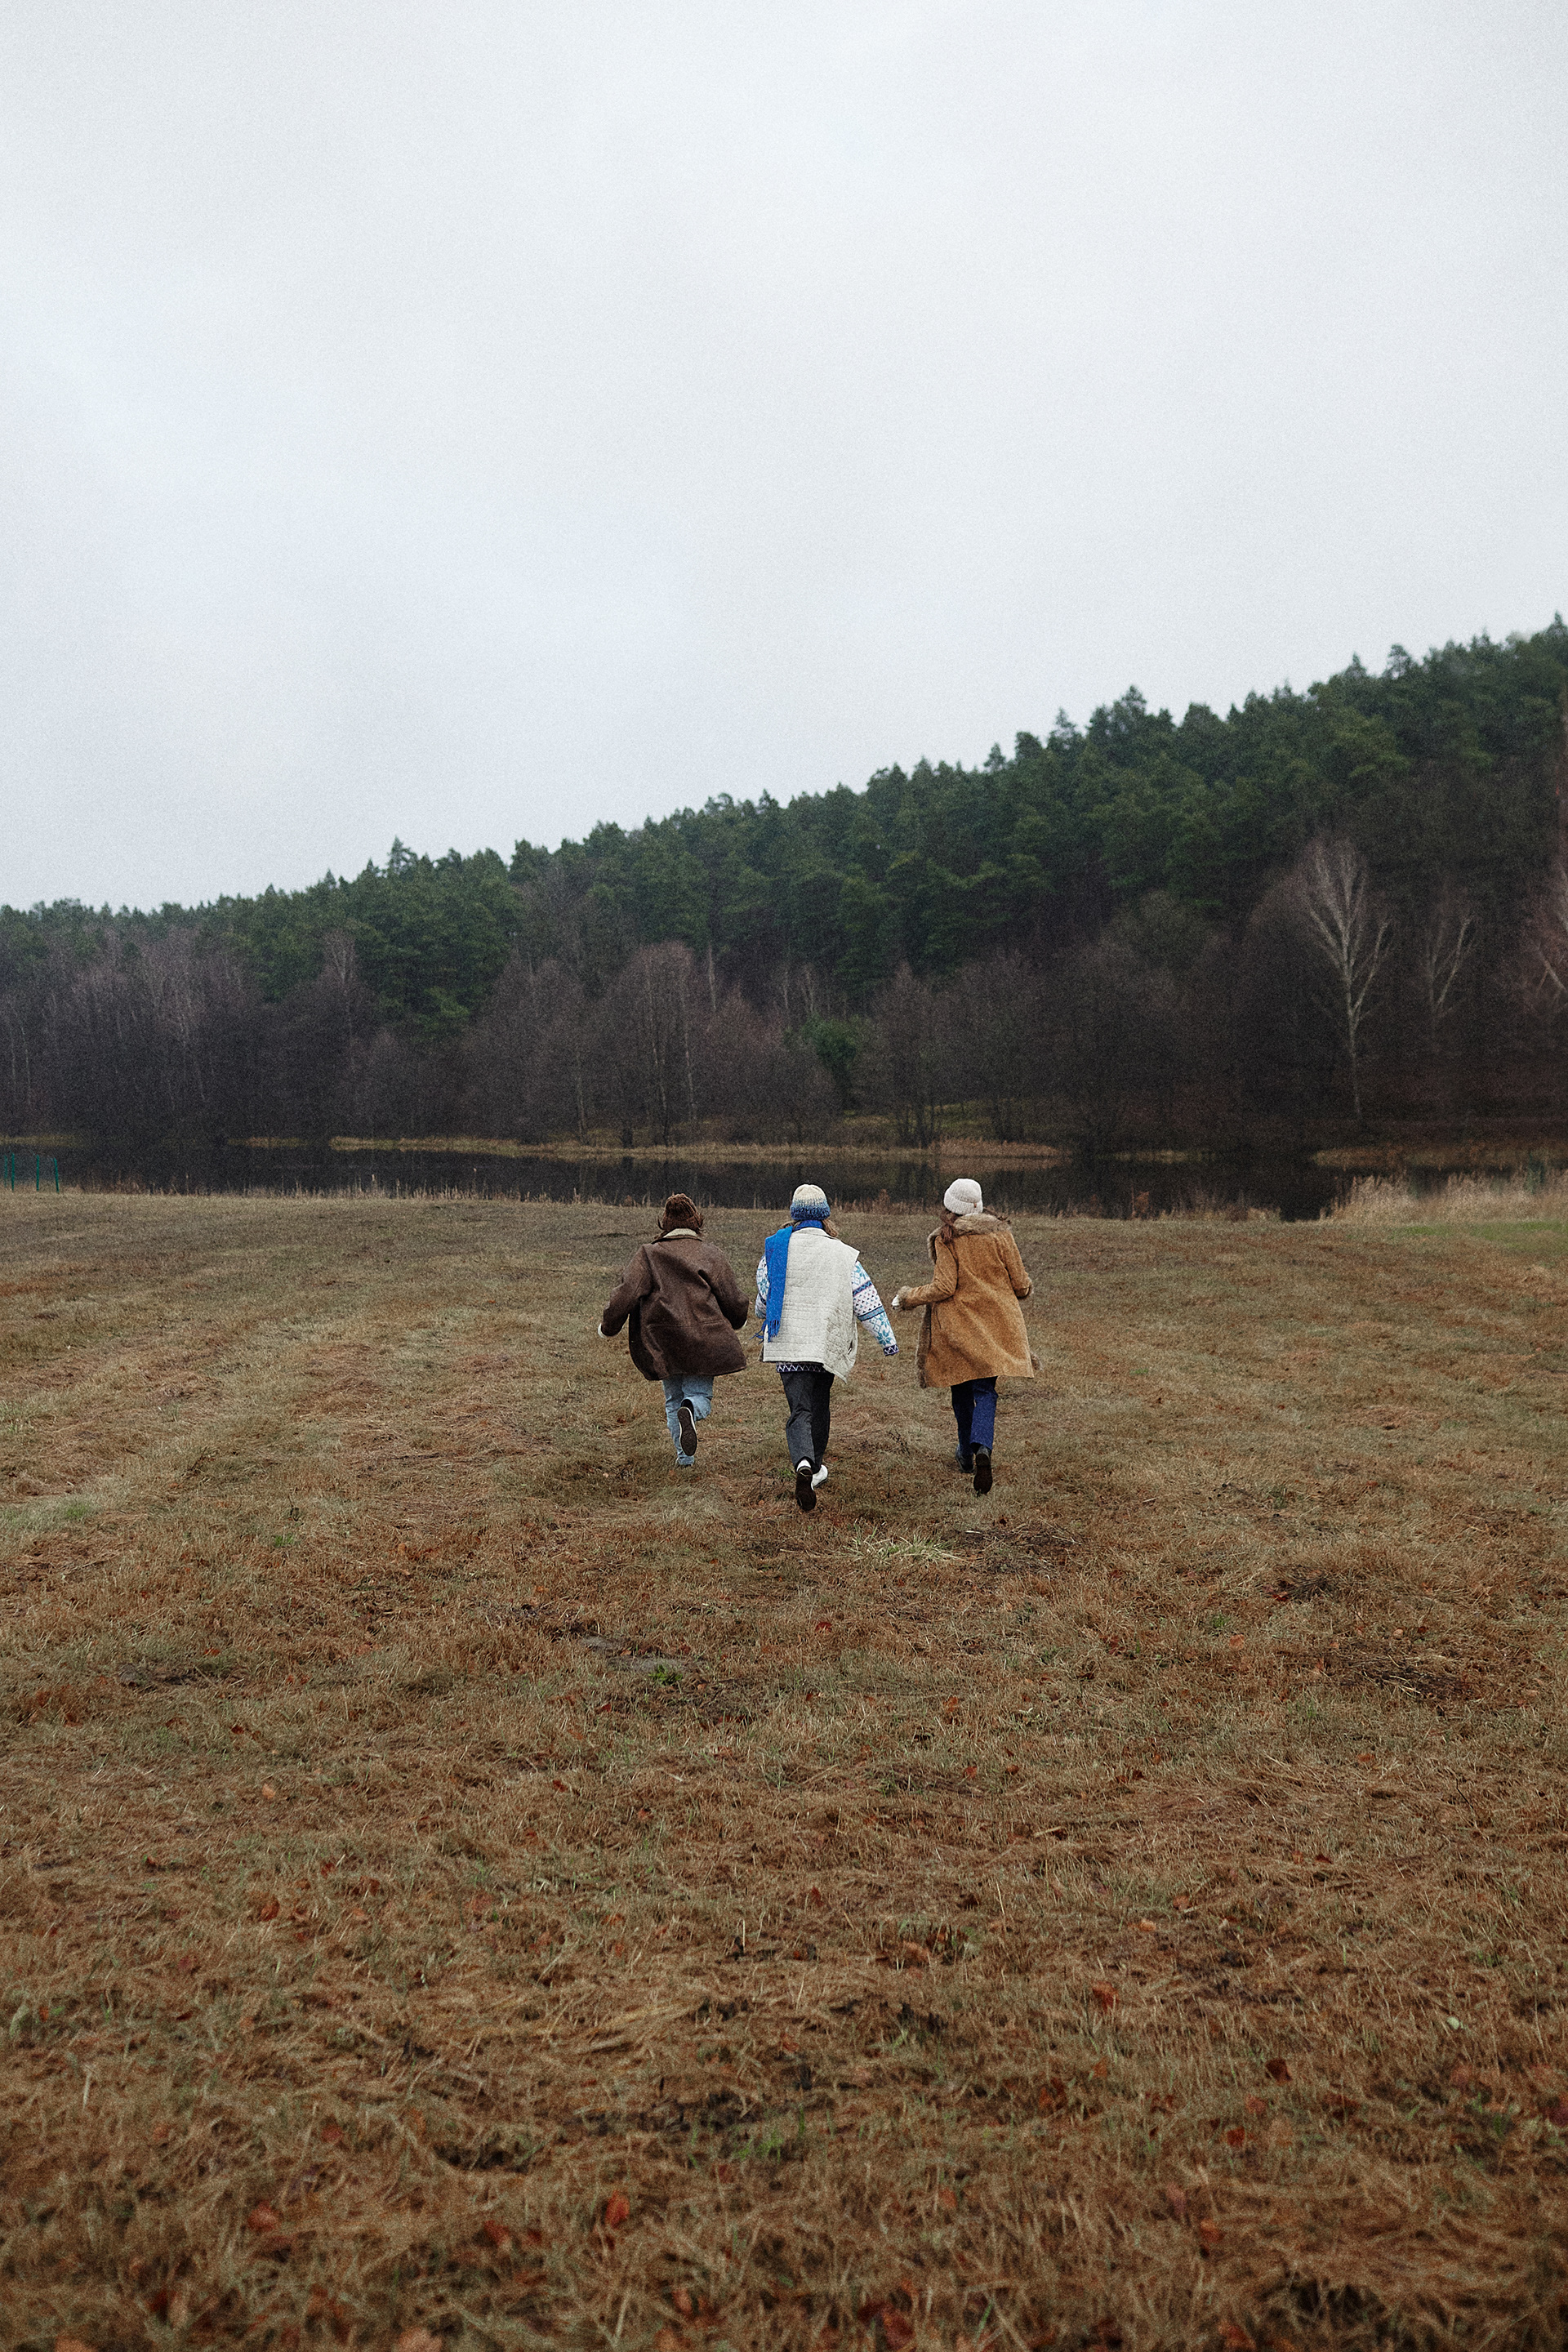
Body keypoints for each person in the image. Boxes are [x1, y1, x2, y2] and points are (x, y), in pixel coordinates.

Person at [754, 1182, 897, 1512]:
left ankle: (803, 1464)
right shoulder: (843, 1254)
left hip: (790, 1346)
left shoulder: (775, 1251)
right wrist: (887, 1340)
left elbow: (764, 1302)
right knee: (820, 1405)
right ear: (825, 1216)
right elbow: (867, 1301)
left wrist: (766, 1311)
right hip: (825, 1346)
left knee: (800, 1410)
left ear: (794, 1215)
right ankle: (815, 1466)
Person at [891, 1177, 1033, 1494]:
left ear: (950, 1206)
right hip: (996, 1327)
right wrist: (1016, 1289)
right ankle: (983, 1447)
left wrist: (908, 1297)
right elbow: (1021, 1284)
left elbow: (944, 1287)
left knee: (961, 1391)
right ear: (979, 1205)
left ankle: (966, 1454)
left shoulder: (947, 1238)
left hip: (958, 1328)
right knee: (986, 1391)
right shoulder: (1001, 1234)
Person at [598, 1194, 750, 1468]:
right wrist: (739, 1319)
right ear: (696, 1222)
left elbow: (626, 1293)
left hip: (663, 1341)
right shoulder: (710, 1254)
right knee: (698, 1396)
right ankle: (691, 1410)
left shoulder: (648, 1254)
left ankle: (685, 1458)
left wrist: (609, 1327)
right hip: (703, 1340)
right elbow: (731, 1296)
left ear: (665, 1223)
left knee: (673, 1400)